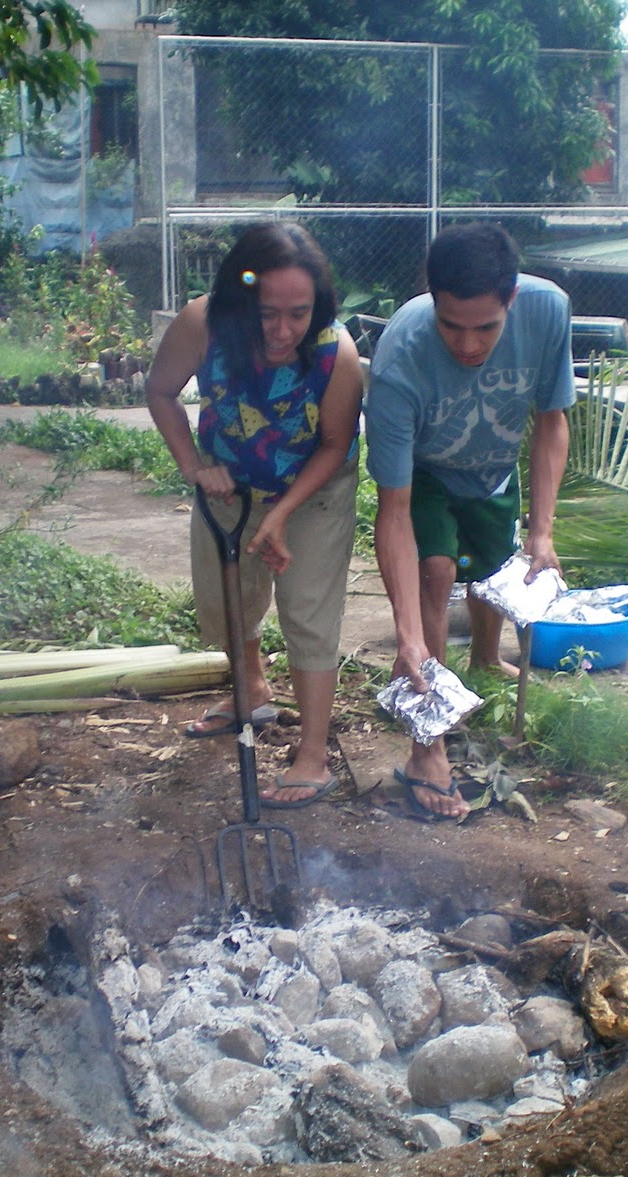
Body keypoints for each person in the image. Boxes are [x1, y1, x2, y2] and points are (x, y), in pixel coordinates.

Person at [144, 222, 363, 807]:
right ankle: (252, 689)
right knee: (227, 600)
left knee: (308, 612)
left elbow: (334, 445)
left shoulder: (336, 353)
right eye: (267, 314)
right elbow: (160, 391)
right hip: (230, 485)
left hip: (314, 489)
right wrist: (194, 466)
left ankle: (312, 757)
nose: (283, 330)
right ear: (242, 300)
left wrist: (283, 512)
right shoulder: (203, 323)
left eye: (298, 313)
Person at [364, 222, 576, 819]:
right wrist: (407, 636)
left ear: (512, 299)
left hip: (494, 463)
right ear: (431, 299)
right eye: (451, 325)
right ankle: (428, 744)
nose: (467, 344)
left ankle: (484, 657)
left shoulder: (547, 311)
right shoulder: (400, 359)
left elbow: (552, 419)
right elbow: (394, 511)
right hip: (426, 468)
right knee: (435, 572)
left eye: (485, 327)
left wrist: (542, 531)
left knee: (490, 567)